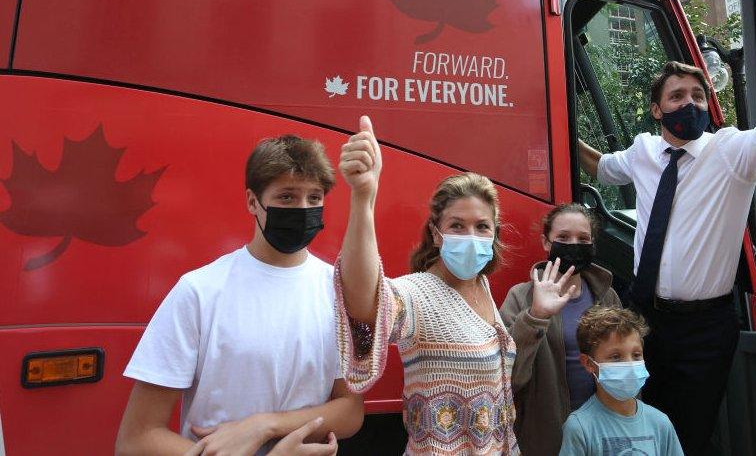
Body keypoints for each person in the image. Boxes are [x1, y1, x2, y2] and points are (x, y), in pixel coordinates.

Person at [577, 0, 756, 455]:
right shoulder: (642, 151)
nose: (689, 103)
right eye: (677, 96)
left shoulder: (734, 152)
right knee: (632, 428)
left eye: (698, 96)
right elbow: (600, 167)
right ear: (657, 110)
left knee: (689, 435)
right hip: (641, 319)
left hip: (704, 329)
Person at [116, 135, 364, 455]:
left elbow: (350, 409)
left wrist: (263, 425)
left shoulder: (338, 290)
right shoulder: (199, 292)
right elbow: (136, 439)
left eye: (314, 197)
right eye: (287, 197)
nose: (302, 209)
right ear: (252, 201)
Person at [335, 116, 519, 454]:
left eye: (482, 227)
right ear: (436, 233)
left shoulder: (482, 285)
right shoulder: (418, 294)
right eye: (457, 225)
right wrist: (363, 199)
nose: (471, 237)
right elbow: (365, 303)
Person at [500, 203, 622, 455]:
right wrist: (536, 316)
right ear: (546, 242)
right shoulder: (521, 297)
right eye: (563, 237)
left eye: (583, 238)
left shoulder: (607, 296)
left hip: (603, 435)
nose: (573, 244)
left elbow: (625, 365)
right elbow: (506, 376)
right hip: (547, 439)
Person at [559, 305, 682, 456]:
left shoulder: (660, 424)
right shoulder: (580, 427)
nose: (630, 364)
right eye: (616, 357)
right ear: (589, 363)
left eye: (636, 355)